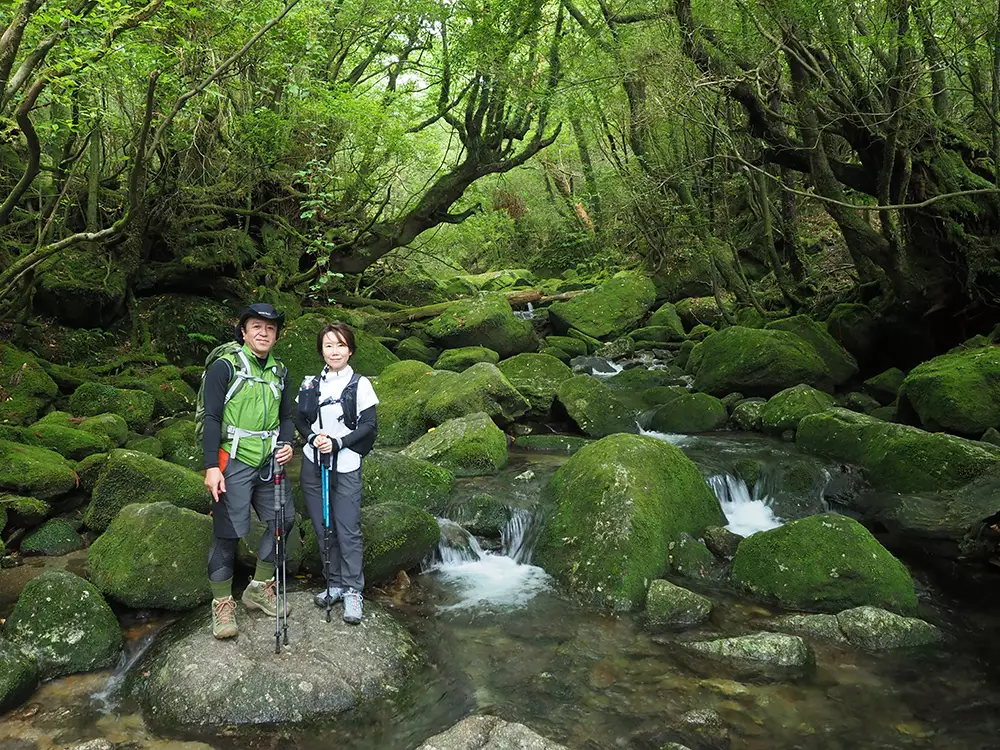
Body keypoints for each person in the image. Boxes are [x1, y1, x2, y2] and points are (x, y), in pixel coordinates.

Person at [202, 302, 295, 640]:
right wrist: (211, 466)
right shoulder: (224, 368)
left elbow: (286, 417)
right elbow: (212, 419)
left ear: (276, 335)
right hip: (233, 460)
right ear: (243, 331)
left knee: (282, 521)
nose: (263, 333)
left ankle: (259, 587)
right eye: (256, 326)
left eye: (270, 328)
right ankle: (223, 604)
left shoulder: (280, 372)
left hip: (269, 461)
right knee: (227, 534)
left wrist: (287, 443)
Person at [295, 321, 378, 624]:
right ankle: (335, 583)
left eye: (340, 345)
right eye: (329, 345)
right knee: (322, 525)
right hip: (312, 462)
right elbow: (300, 419)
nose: (334, 351)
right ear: (321, 350)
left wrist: (339, 442)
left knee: (347, 527)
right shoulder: (311, 383)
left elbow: (369, 425)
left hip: (345, 465)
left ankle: (354, 590)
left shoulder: (360, 384)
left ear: (350, 350)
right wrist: (312, 438)